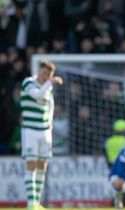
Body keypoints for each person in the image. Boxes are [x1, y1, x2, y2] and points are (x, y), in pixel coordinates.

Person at [20, 60, 63, 210]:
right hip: (30, 130)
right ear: (39, 71)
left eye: (49, 75)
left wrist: (50, 125)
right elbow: (38, 95)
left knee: (42, 166)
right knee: (31, 165)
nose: (46, 77)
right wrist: (50, 83)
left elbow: (50, 106)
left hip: (45, 131)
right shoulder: (28, 82)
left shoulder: (47, 88)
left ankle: (37, 202)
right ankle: (31, 204)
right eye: (45, 73)